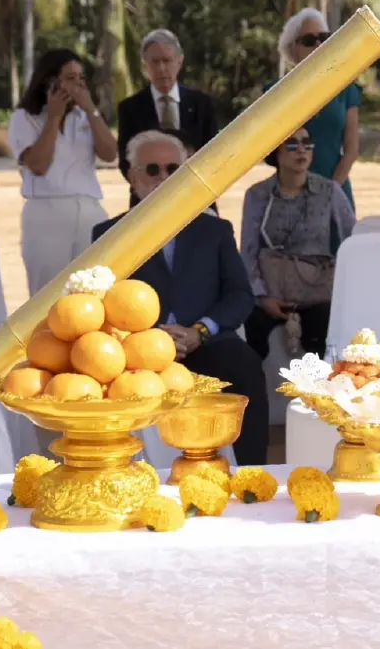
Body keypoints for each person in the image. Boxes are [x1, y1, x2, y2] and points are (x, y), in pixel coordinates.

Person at [92, 130, 268, 465]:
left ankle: (253, 477)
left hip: (206, 343)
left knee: (245, 365)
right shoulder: (108, 236)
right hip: (138, 353)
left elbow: (240, 295)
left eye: (174, 169)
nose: (164, 178)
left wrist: (200, 330)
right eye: (153, 169)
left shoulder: (215, 231)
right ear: (132, 176)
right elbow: (99, 303)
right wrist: (150, 336)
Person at [7, 49, 118, 296]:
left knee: (96, 290)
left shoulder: (86, 117)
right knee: (47, 295)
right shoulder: (24, 118)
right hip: (46, 213)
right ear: (50, 81)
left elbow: (110, 154)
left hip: (90, 209)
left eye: (81, 78)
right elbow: (39, 165)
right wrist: (54, 117)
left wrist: (92, 111)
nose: (79, 83)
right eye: (70, 77)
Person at [240, 126, 356, 360]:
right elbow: (248, 250)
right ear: (277, 153)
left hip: (318, 289)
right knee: (252, 331)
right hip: (272, 290)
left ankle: (324, 395)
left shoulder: (329, 190)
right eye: (292, 144)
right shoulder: (258, 194)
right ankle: (259, 395)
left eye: (307, 143)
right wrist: (262, 297)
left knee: (325, 331)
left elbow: (352, 239)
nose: (301, 150)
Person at [117, 29, 220, 206]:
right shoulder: (130, 108)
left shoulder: (202, 105)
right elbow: (125, 162)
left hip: (196, 200)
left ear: (179, 62)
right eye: (155, 62)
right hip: (146, 203)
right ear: (145, 66)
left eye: (167, 60)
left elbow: (214, 155)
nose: (161, 68)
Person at [275, 8, 361, 206]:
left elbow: (352, 149)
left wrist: (330, 192)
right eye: (309, 41)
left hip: (336, 192)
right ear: (292, 47)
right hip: (289, 195)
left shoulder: (346, 90)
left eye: (324, 38)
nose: (318, 45)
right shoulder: (276, 94)